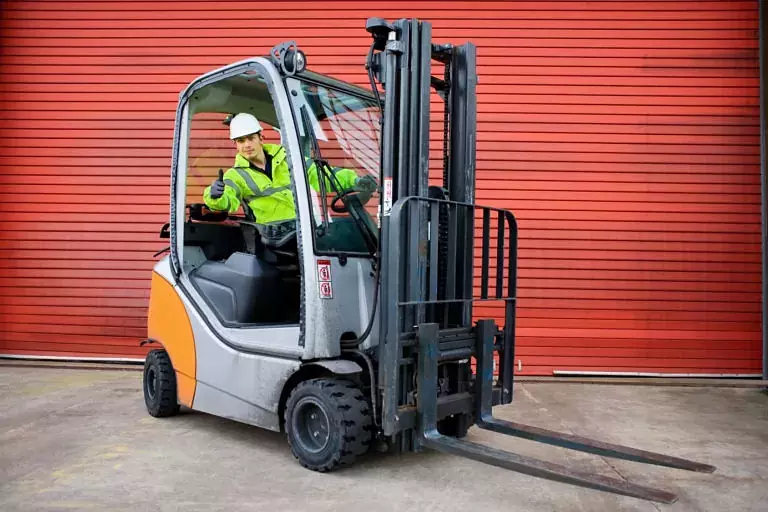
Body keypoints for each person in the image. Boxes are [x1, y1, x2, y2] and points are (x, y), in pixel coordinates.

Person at [203, 113, 376, 230]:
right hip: (272, 236)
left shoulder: (289, 159)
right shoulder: (235, 175)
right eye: (241, 141)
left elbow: (322, 175)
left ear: (261, 137)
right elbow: (227, 200)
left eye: (250, 138)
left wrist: (354, 181)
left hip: (305, 230)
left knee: (348, 229)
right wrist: (214, 196)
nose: (247, 145)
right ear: (236, 144)